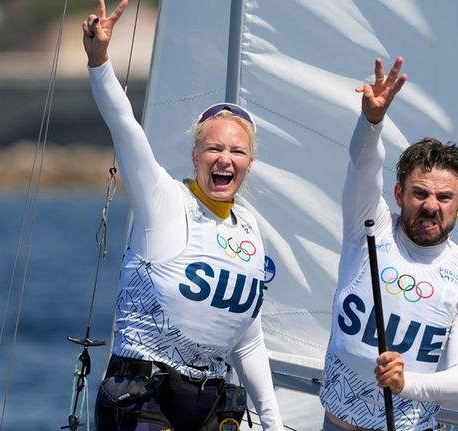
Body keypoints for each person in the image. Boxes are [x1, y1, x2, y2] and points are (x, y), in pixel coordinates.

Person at [82, 1, 283, 430]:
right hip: (142, 396)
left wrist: (272, 420)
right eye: (214, 149)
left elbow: (247, 341)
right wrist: (99, 59)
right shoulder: (163, 199)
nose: (224, 159)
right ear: (196, 157)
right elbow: (124, 125)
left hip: (211, 403)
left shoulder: (248, 229)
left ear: (249, 163)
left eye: (236, 151)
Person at [319, 57, 458, 431]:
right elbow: (362, 165)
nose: (431, 206)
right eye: (420, 193)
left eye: (445, 198)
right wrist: (371, 122)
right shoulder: (369, 227)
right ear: (398, 193)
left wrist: (404, 383)